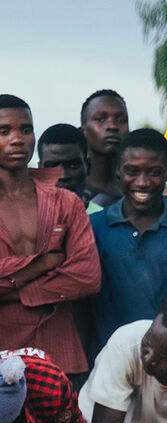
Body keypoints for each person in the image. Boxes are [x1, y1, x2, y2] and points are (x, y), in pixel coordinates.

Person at [0, 95, 101, 379]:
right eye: (4, 131)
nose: (17, 139)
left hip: (61, 356)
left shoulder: (66, 202)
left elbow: (87, 277)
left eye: (26, 129)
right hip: (3, 356)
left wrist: (17, 292)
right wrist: (44, 263)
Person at [89, 129, 167, 353]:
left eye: (154, 172)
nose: (142, 182)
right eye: (132, 171)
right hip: (111, 360)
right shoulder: (94, 227)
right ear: (118, 170)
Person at [37, 124, 103, 213]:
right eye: (53, 167)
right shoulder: (23, 218)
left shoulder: (106, 219)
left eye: (73, 165)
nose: (63, 176)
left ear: (88, 166)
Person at [80, 89, 129, 207]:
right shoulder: (71, 193)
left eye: (121, 120)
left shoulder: (141, 192)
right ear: (83, 131)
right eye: (101, 119)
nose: (112, 126)